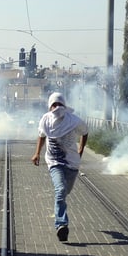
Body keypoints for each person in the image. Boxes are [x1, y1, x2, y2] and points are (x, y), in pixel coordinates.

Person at [31, 92, 88, 242]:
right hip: (54, 162)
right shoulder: (46, 120)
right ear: (50, 107)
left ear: (64, 105)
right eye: (54, 105)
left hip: (72, 163)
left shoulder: (74, 121)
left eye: (59, 104)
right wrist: (37, 153)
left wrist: (81, 149)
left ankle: (61, 212)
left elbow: (85, 132)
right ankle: (61, 225)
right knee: (60, 190)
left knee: (65, 191)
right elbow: (41, 136)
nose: (57, 108)